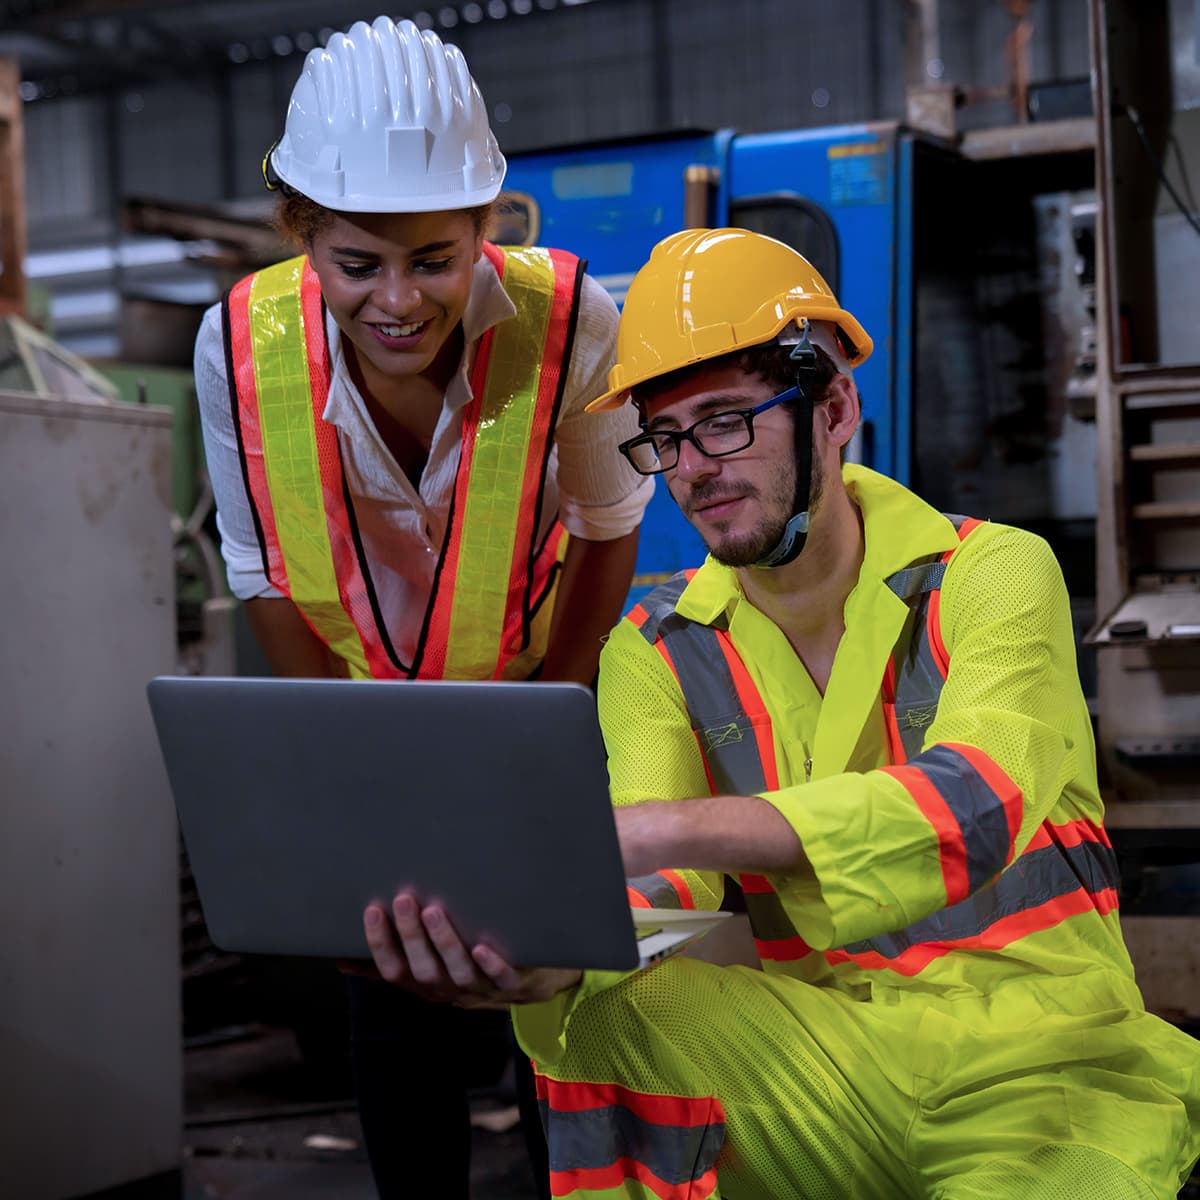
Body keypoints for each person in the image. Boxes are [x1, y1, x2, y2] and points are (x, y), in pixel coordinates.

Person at [361, 228, 1200, 1199]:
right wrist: (547, 957)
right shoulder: (658, 644)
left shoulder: (991, 572)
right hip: (827, 1060)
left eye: (724, 421)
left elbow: (980, 801)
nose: (692, 469)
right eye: (667, 439)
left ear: (833, 408)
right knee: (593, 1007)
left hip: (1047, 1061)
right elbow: (666, 883)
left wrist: (645, 831)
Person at [193, 16, 652, 1198]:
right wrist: (353, 763)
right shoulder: (237, 347)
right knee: (392, 994)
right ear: (302, 234)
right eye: (359, 264)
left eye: (435, 259)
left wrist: (546, 731)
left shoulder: (575, 323)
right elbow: (263, 576)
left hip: (541, 694)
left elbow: (607, 535)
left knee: (555, 1008)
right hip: (355, 708)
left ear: (486, 228)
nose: (399, 301)